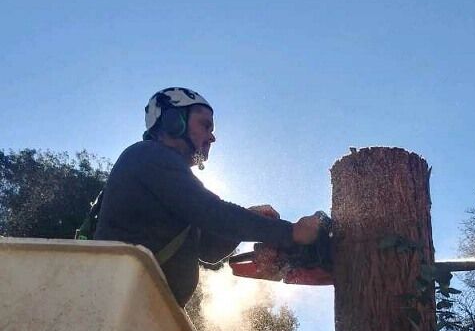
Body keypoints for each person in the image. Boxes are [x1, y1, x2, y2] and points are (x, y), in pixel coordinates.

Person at [94, 87, 323, 305]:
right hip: (118, 301)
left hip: (142, 307)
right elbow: (212, 213)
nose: (212, 137)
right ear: (174, 122)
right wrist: (289, 232)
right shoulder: (148, 155)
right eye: (205, 126)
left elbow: (209, 250)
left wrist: (254, 226)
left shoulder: (171, 185)